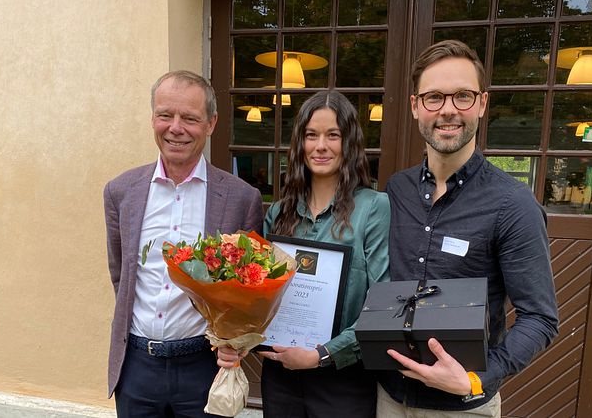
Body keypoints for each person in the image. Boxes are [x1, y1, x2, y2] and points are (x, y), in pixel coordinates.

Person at [378, 40, 559, 417]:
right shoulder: (397, 190)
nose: (447, 110)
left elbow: (540, 318)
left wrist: (478, 378)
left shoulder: (512, 204)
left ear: (482, 103)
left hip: (462, 407)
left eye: (462, 95)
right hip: (388, 397)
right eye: (434, 98)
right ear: (415, 106)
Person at [217, 90, 391, 417]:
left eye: (332, 135)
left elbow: (380, 307)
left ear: (349, 143)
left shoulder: (373, 208)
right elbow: (258, 298)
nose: (320, 146)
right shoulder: (279, 213)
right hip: (280, 377)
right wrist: (236, 340)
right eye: (311, 135)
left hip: (343, 379)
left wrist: (323, 355)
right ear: (300, 143)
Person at [103, 70, 263, 417]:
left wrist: (238, 344)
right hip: (136, 369)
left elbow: (249, 294)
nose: (176, 128)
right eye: (165, 115)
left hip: (203, 368)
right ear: (153, 118)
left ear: (211, 124)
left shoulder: (240, 198)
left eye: (190, 118)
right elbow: (122, 274)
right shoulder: (120, 192)